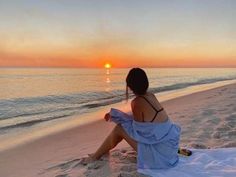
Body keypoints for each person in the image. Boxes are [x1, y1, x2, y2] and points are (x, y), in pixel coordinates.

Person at [81, 68, 181, 170]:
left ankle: (95, 157)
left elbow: (137, 132)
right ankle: (103, 150)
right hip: (169, 149)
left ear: (130, 86)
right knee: (122, 127)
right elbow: (144, 122)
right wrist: (115, 115)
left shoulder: (137, 102)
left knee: (119, 129)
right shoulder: (151, 95)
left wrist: (117, 118)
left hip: (159, 156)